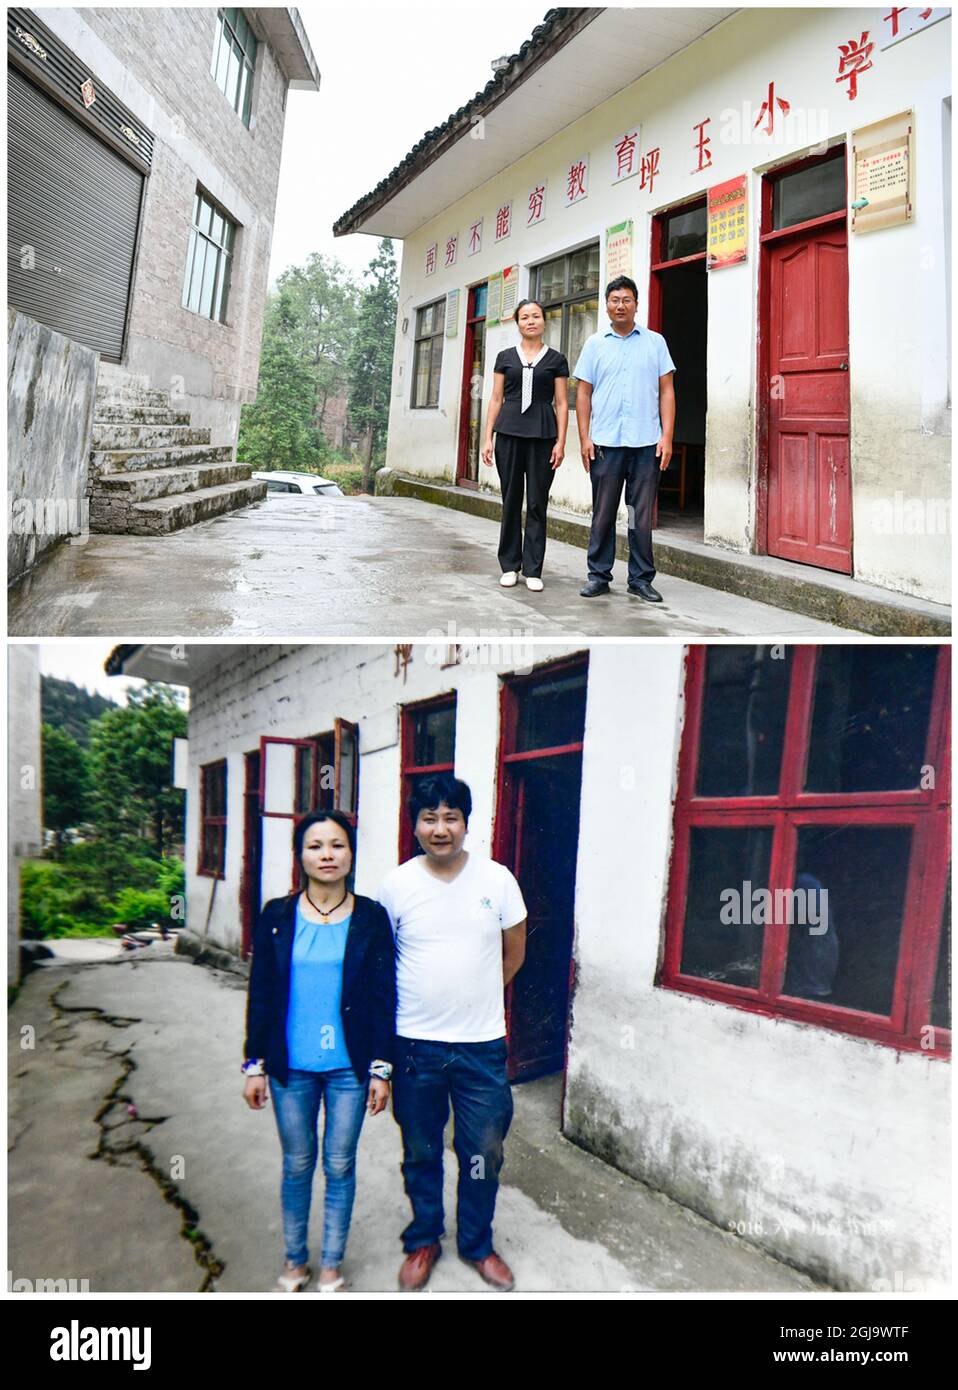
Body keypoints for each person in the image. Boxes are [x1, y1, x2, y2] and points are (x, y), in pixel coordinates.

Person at [379, 773, 527, 1292]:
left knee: (483, 1151)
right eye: (429, 817)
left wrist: (474, 996)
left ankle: (477, 1244)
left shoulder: (498, 880)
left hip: (481, 1047)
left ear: (466, 822)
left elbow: (515, 953)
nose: (441, 829)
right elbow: (384, 964)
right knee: (420, 1148)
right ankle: (424, 1238)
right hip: (414, 1046)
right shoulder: (397, 886)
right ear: (415, 825)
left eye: (451, 817)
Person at [243, 809, 396, 1293]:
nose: (327, 854)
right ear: (300, 855)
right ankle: (294, 1261)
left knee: (340, 1164)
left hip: (349, 1068)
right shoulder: (276, 916)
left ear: (351, 854)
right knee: (297, 1163)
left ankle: (331, 1263)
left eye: (337, 845)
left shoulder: (371, 917)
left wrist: (381, 1068)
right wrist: (254, 1065)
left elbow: (382, 995)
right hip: (291, 1069)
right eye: (315, 845)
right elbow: (262, 992)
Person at [573, 274, 676, 603]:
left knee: (638, 514)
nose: (621, 305)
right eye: (615, 300)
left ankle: (640, 578)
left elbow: (666, 391)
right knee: (603, 512)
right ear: (606, 305)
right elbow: (583, 394)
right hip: (605, 444)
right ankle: (599, 575)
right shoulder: (595, 344)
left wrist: (667, 437)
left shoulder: (655, 342)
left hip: (646, 444)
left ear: (636, 304)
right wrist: (585, 438)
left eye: (626, 300)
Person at [482, 299, 569, 592]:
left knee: (536, 503)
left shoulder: (556, 360)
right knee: (511, 500)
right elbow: (495, 399)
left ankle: (533, 569)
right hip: (508, 433)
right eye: (524, 317)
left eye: (535, 316)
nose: (530, 321)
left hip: (543, 435)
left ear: (544, 321)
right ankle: (509, 566)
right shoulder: (505, 357)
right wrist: (487, 438)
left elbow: (561, 402)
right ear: (517, 323)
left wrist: (561, 442)